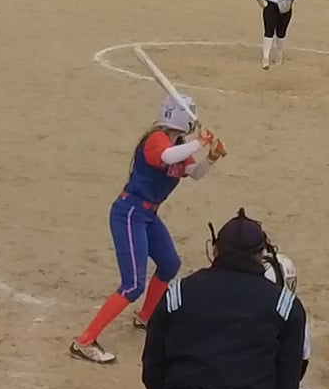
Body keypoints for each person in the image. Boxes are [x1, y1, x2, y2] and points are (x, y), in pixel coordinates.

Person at [72, 94, 225, 365]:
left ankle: (145, 317)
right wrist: (200, 142)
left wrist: (211, 157)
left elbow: (194, 173)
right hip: (130, 213)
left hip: (147, 214)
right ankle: (84, 341)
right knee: (132, 284)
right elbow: (167, 157)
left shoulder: (179, 145)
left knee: (169, 264)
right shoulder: (157, 140)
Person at [137, 209, 310, 389]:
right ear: (261, 255)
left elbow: (153, 368)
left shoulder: (179, 293)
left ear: (215, 249)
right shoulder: (285, 305)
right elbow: (288, 383)